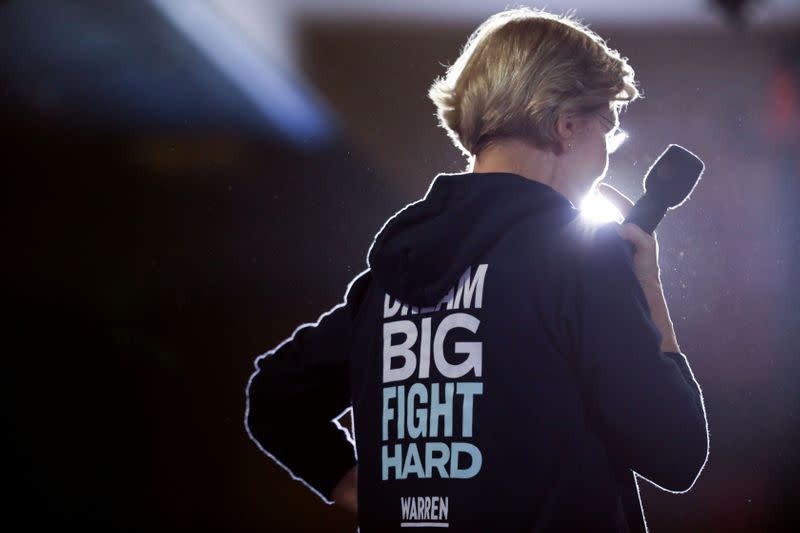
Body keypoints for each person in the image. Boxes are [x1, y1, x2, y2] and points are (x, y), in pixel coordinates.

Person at [244, 7, 709, 532]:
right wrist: (646, 285)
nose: (606, 150)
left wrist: (355, 485)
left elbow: (275, 397)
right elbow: (676, 453)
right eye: (608, 126)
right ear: (567, 125)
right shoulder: (581, 263)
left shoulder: (391, 277)